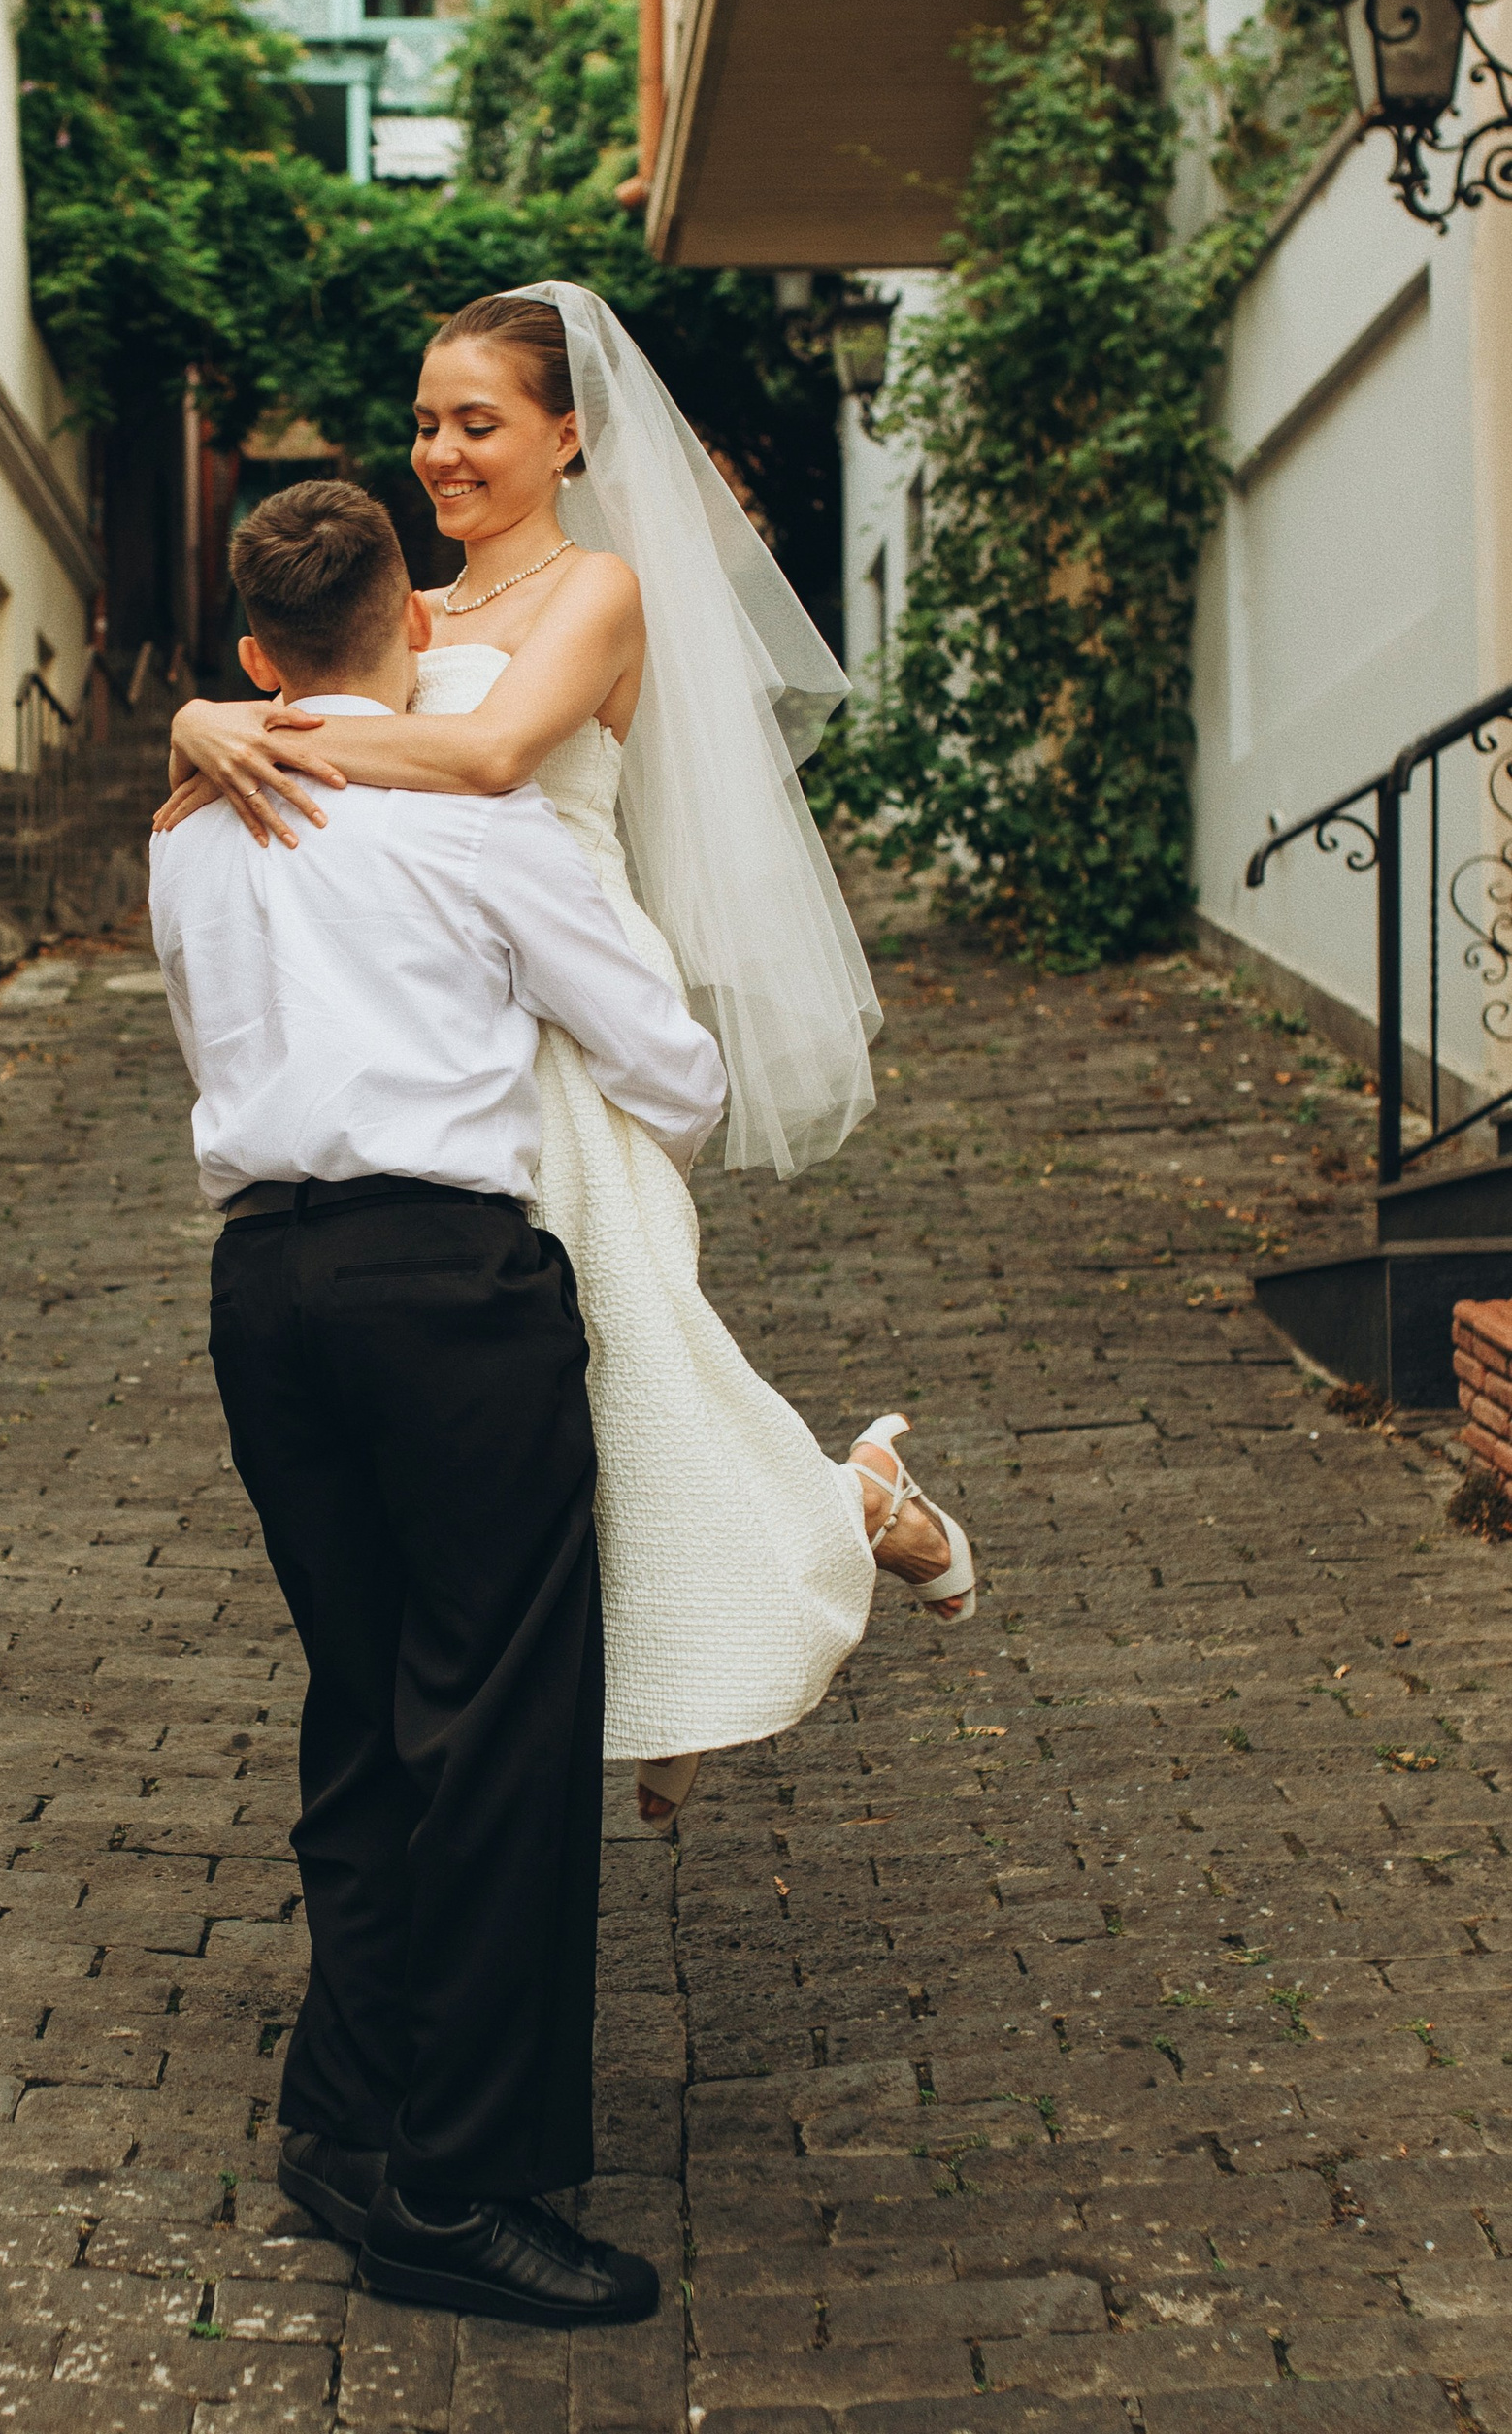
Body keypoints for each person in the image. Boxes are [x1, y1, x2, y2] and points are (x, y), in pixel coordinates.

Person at [159, 286, 978, 1826]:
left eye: (478, 421)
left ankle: (852, 1510)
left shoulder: (595, 589)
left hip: (571, 1005)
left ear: (566, 431)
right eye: (424, 422)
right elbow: (337, 716)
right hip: (437, 1012)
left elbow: (482, 762)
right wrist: (216, 718)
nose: (443, 452)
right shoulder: (409, 605)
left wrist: (234, 723)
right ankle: (662, 1677)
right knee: (529, 1425)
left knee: (627, 1373)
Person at [148, 477, 732, 2330]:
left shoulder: (185, 828)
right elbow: (675, 1066)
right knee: (497, 1731)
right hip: (445, 1293)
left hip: (266, 1290)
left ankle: (345, 2107)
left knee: (366, 1697)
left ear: (251, 657)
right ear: (416, 628)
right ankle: (460, 2189)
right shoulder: (472, 824)